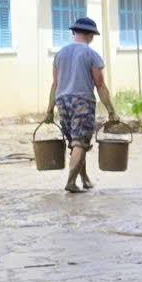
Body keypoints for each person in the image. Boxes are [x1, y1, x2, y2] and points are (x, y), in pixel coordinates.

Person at [44, 15, 115, 194]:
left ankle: (84, 179)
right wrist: (112, 111)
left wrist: (49, 110)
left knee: (75, 142)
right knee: (80, 143)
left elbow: (55, 84)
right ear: (91, 35)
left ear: (75, 32)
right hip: (82, 101)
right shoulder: (91, 55)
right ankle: (70, 182)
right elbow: (100, 84)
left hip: (62, 101)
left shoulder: (59, 54)